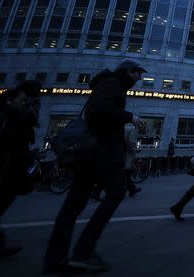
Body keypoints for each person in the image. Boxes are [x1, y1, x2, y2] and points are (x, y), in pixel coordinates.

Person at [43, 60, 145, 274]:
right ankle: (83, 251)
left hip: (92, 153)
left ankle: (56, 259)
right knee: (116, 191)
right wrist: (129, 117)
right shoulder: (113, 84)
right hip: (102, 152)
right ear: (128, 72)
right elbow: (99, 110)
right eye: (137, 74)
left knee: (73, 205)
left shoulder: (108, 84)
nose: (139, 79)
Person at [0, 87, 37, 262]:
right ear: (9, 101)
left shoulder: (15, 119)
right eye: (21, 100)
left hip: (1, 173)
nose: (24, 104)